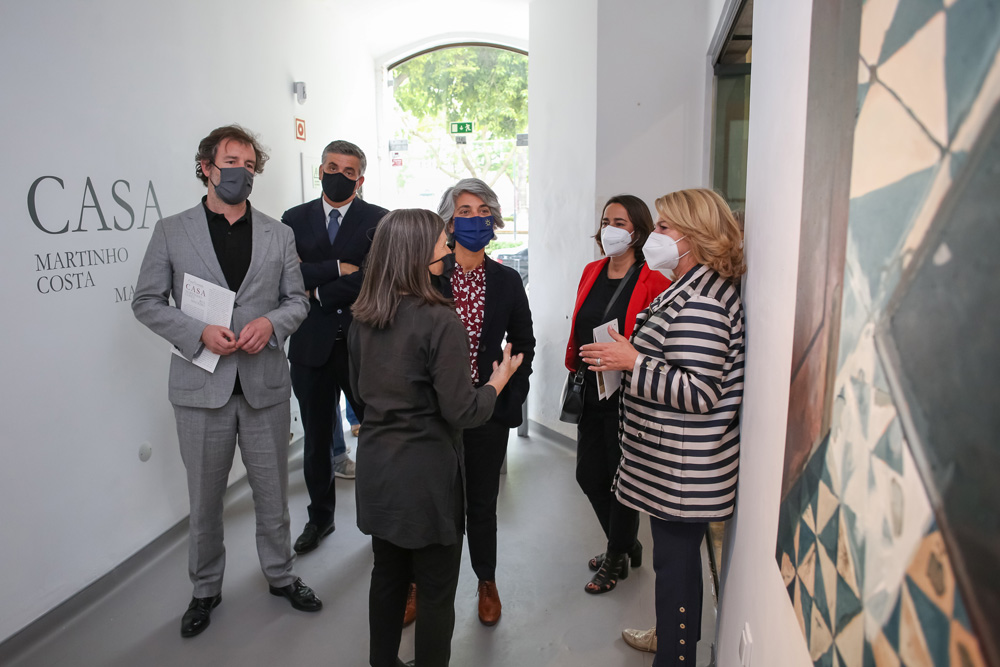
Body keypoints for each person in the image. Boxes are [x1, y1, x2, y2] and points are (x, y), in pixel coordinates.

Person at [132, 125, 321, 639]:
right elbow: (146, 301)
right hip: (200, 390)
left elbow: (298, 301)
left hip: (264, 388)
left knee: (272, 494)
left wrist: (271, 325)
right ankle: (205, 589)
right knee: (205, 501)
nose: (242, 172)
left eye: (249, 165)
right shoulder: (171, 231)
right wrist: (197, 332)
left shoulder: (279, 234)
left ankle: (281, 575)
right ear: (206, 167)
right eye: (231, 162)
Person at [347, 208, 523, 667]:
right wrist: (497, 382)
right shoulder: (441, 321)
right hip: (427, 479)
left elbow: (360, 396)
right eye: (442, 242)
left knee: (387, 576)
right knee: (436, 592)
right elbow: (462, 411)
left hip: (377, 469)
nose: (449, 248)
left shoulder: (363, 318)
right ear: (416, 253)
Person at [581, 188, 745, 665]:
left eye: (664, 227)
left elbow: (699, 392)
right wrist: (632, 353)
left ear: (693, 236)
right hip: (673, 464)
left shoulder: (703, 301)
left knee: (675, 570)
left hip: (682, 470)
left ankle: (674, 656)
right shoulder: (690, 285)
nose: (654, 235)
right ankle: (672, 641)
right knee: (676, 567)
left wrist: (632, 361)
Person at [433, 178, 535, 626]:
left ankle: (486, 580)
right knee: (433, 501)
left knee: (481, 502)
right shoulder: (429, 275)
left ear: (494, 221)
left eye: (483, 211)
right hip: (434, 410)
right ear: (449, 223)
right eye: (464, 211)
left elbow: (524, 343)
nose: (475, 219)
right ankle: (420, 584)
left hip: (485, 408)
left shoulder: (507, 280)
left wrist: (508, 395)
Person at [281, 140, 388, 554]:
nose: (338, 176)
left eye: (348, 172)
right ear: (320, 170)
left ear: (360, 180)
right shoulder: (294, 219)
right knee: (316, 440)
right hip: (310, 348)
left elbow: (375, 278)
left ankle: (380, 522)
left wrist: (319, 290)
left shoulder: (378, 220)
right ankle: (319, 519)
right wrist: (339, 268)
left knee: (377, 436)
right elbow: (287, 274)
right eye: (332, 167)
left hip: (363, 346)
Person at [565, 195, 670, 594]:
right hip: (591, 387)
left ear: (638, 231)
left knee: (621, 479)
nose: (609, 229)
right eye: (606, 221)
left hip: (629, 393)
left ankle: (615, 557)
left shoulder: (654, 280)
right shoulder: (591, 270)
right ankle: (626, 543)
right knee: (589, 475)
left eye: (620, 222)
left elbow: (661, 343)